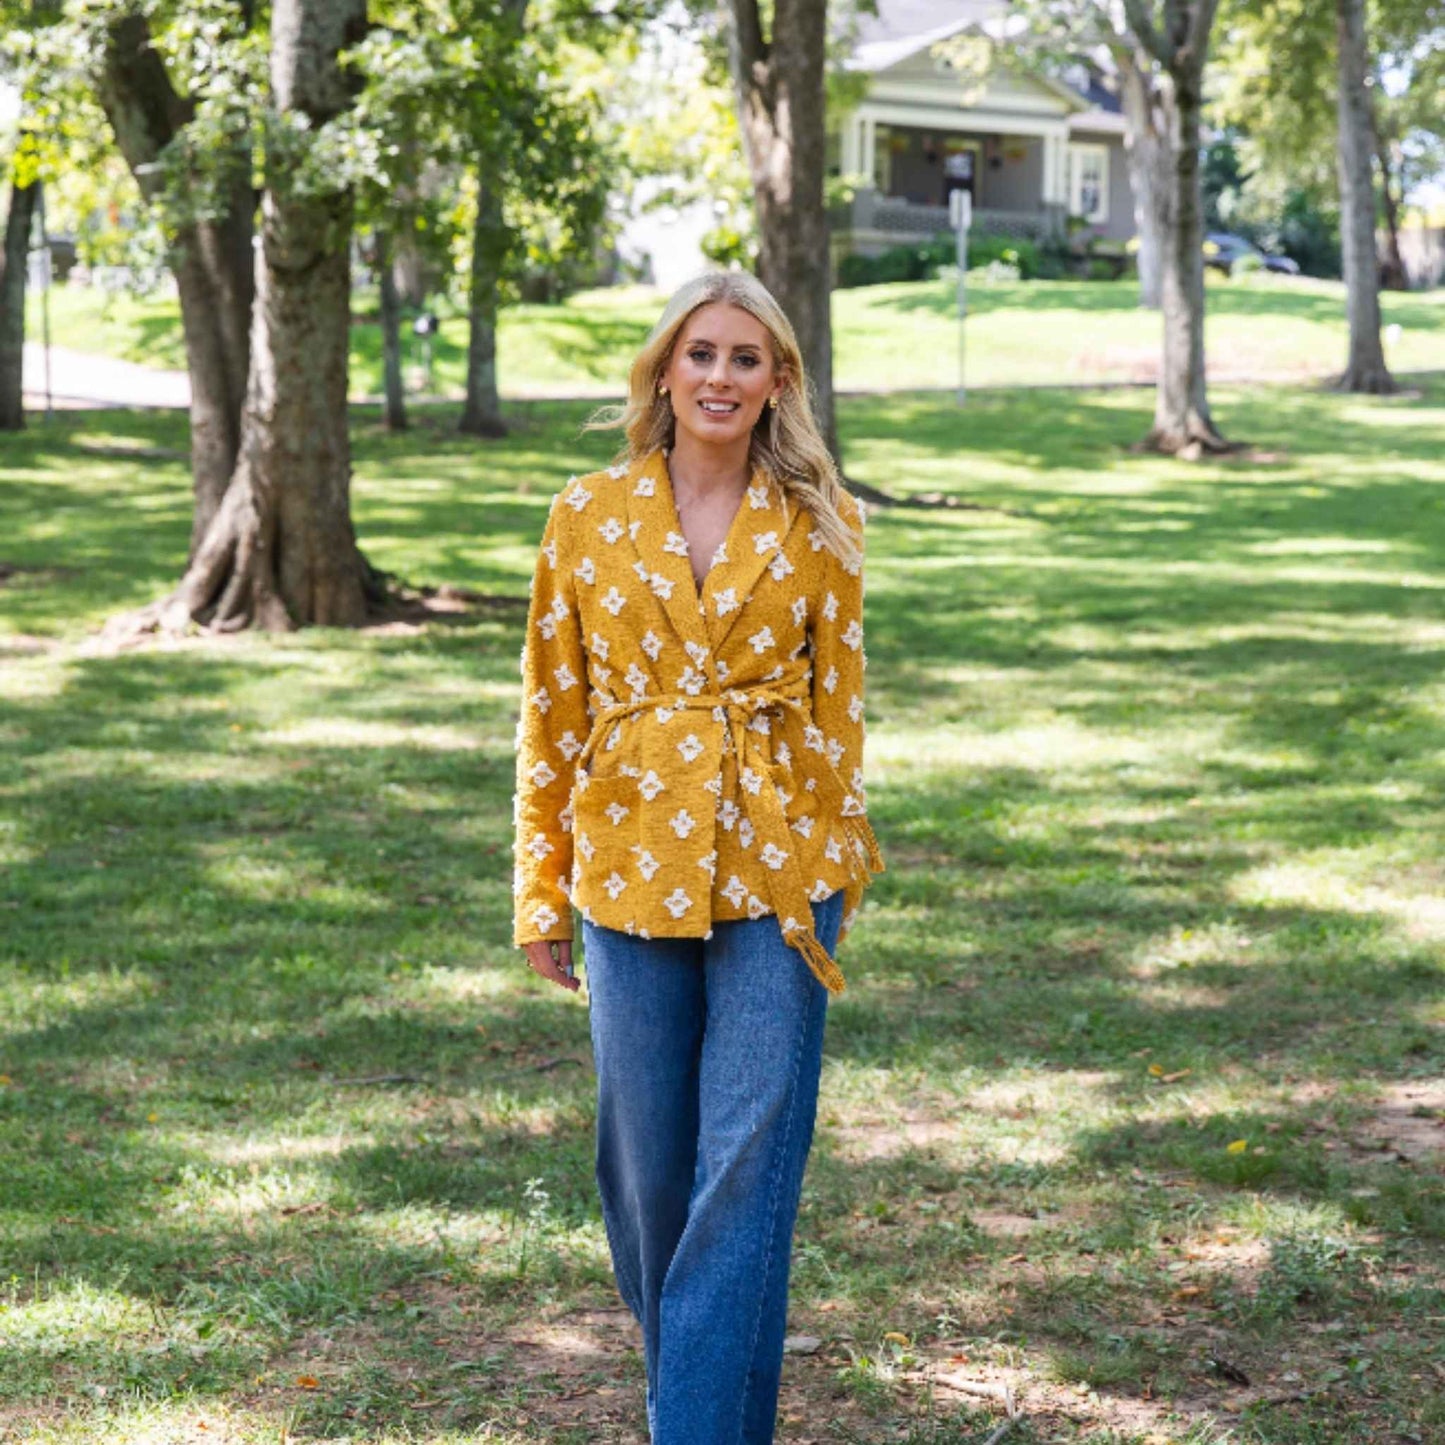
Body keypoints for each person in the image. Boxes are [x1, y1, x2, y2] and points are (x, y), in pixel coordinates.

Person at [510, 269, 884, 1444]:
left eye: (745, 358)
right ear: (664, 369)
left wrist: (836, 865)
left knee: (746, 1164)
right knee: (645, 1169)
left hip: (779, 872)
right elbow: (549, 709)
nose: (720, 376)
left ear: (777, 382)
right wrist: (539, 884)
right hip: (625, 861)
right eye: (701, 353)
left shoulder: (821, 520)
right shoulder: (586, 512)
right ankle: (698, 1397)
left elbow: (838, 710)